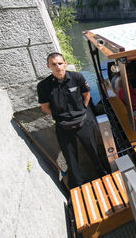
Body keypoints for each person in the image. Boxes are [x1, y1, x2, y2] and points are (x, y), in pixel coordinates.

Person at [37, 52, 107, 187]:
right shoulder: (43, 86)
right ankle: (78, 186)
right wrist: (60, 117)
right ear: (48, 66)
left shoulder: (77, 77)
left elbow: (86, 95)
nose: (57, 67)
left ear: (65, 63)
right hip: (63, 127)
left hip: (83, 123)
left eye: (60, 63)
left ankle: (103, 175)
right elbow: (45, 107)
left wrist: (82, 112)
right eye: (53, 64)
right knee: (71, 159)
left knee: (94, 152)